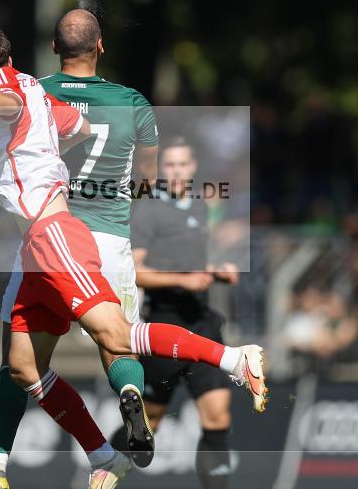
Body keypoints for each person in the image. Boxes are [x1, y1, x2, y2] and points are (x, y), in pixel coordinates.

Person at [0, 25, 267, 489]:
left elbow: (8, 104)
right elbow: (77, 128)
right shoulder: (35, 88)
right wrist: (15, 164)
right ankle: (99, 455)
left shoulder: (10, 90)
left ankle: (236, 359)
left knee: (117, 335)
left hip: (55, 236)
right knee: (21, 365)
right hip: (46, 243)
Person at [0, 9, 159, 489]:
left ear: (55, 50)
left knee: (20, 359)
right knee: (117, 340)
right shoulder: (133, 102)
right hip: (108, 238)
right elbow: (147, 179)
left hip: (48, 235)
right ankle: (127, 392)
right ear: (101, 47)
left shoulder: (35, 90)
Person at [109, 137, 263, 489]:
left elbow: (191, 264)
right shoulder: (149, 209)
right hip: (165, 325)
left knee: (217, 415)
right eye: (170, 165)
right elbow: (134, 271)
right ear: (162, 169)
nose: (176, 172)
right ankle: (102, 466)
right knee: (150, 424)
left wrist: (215, 270)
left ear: (193, 168)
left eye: (182, 165)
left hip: (202, 323)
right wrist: (184, 280)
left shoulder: (196, 207)